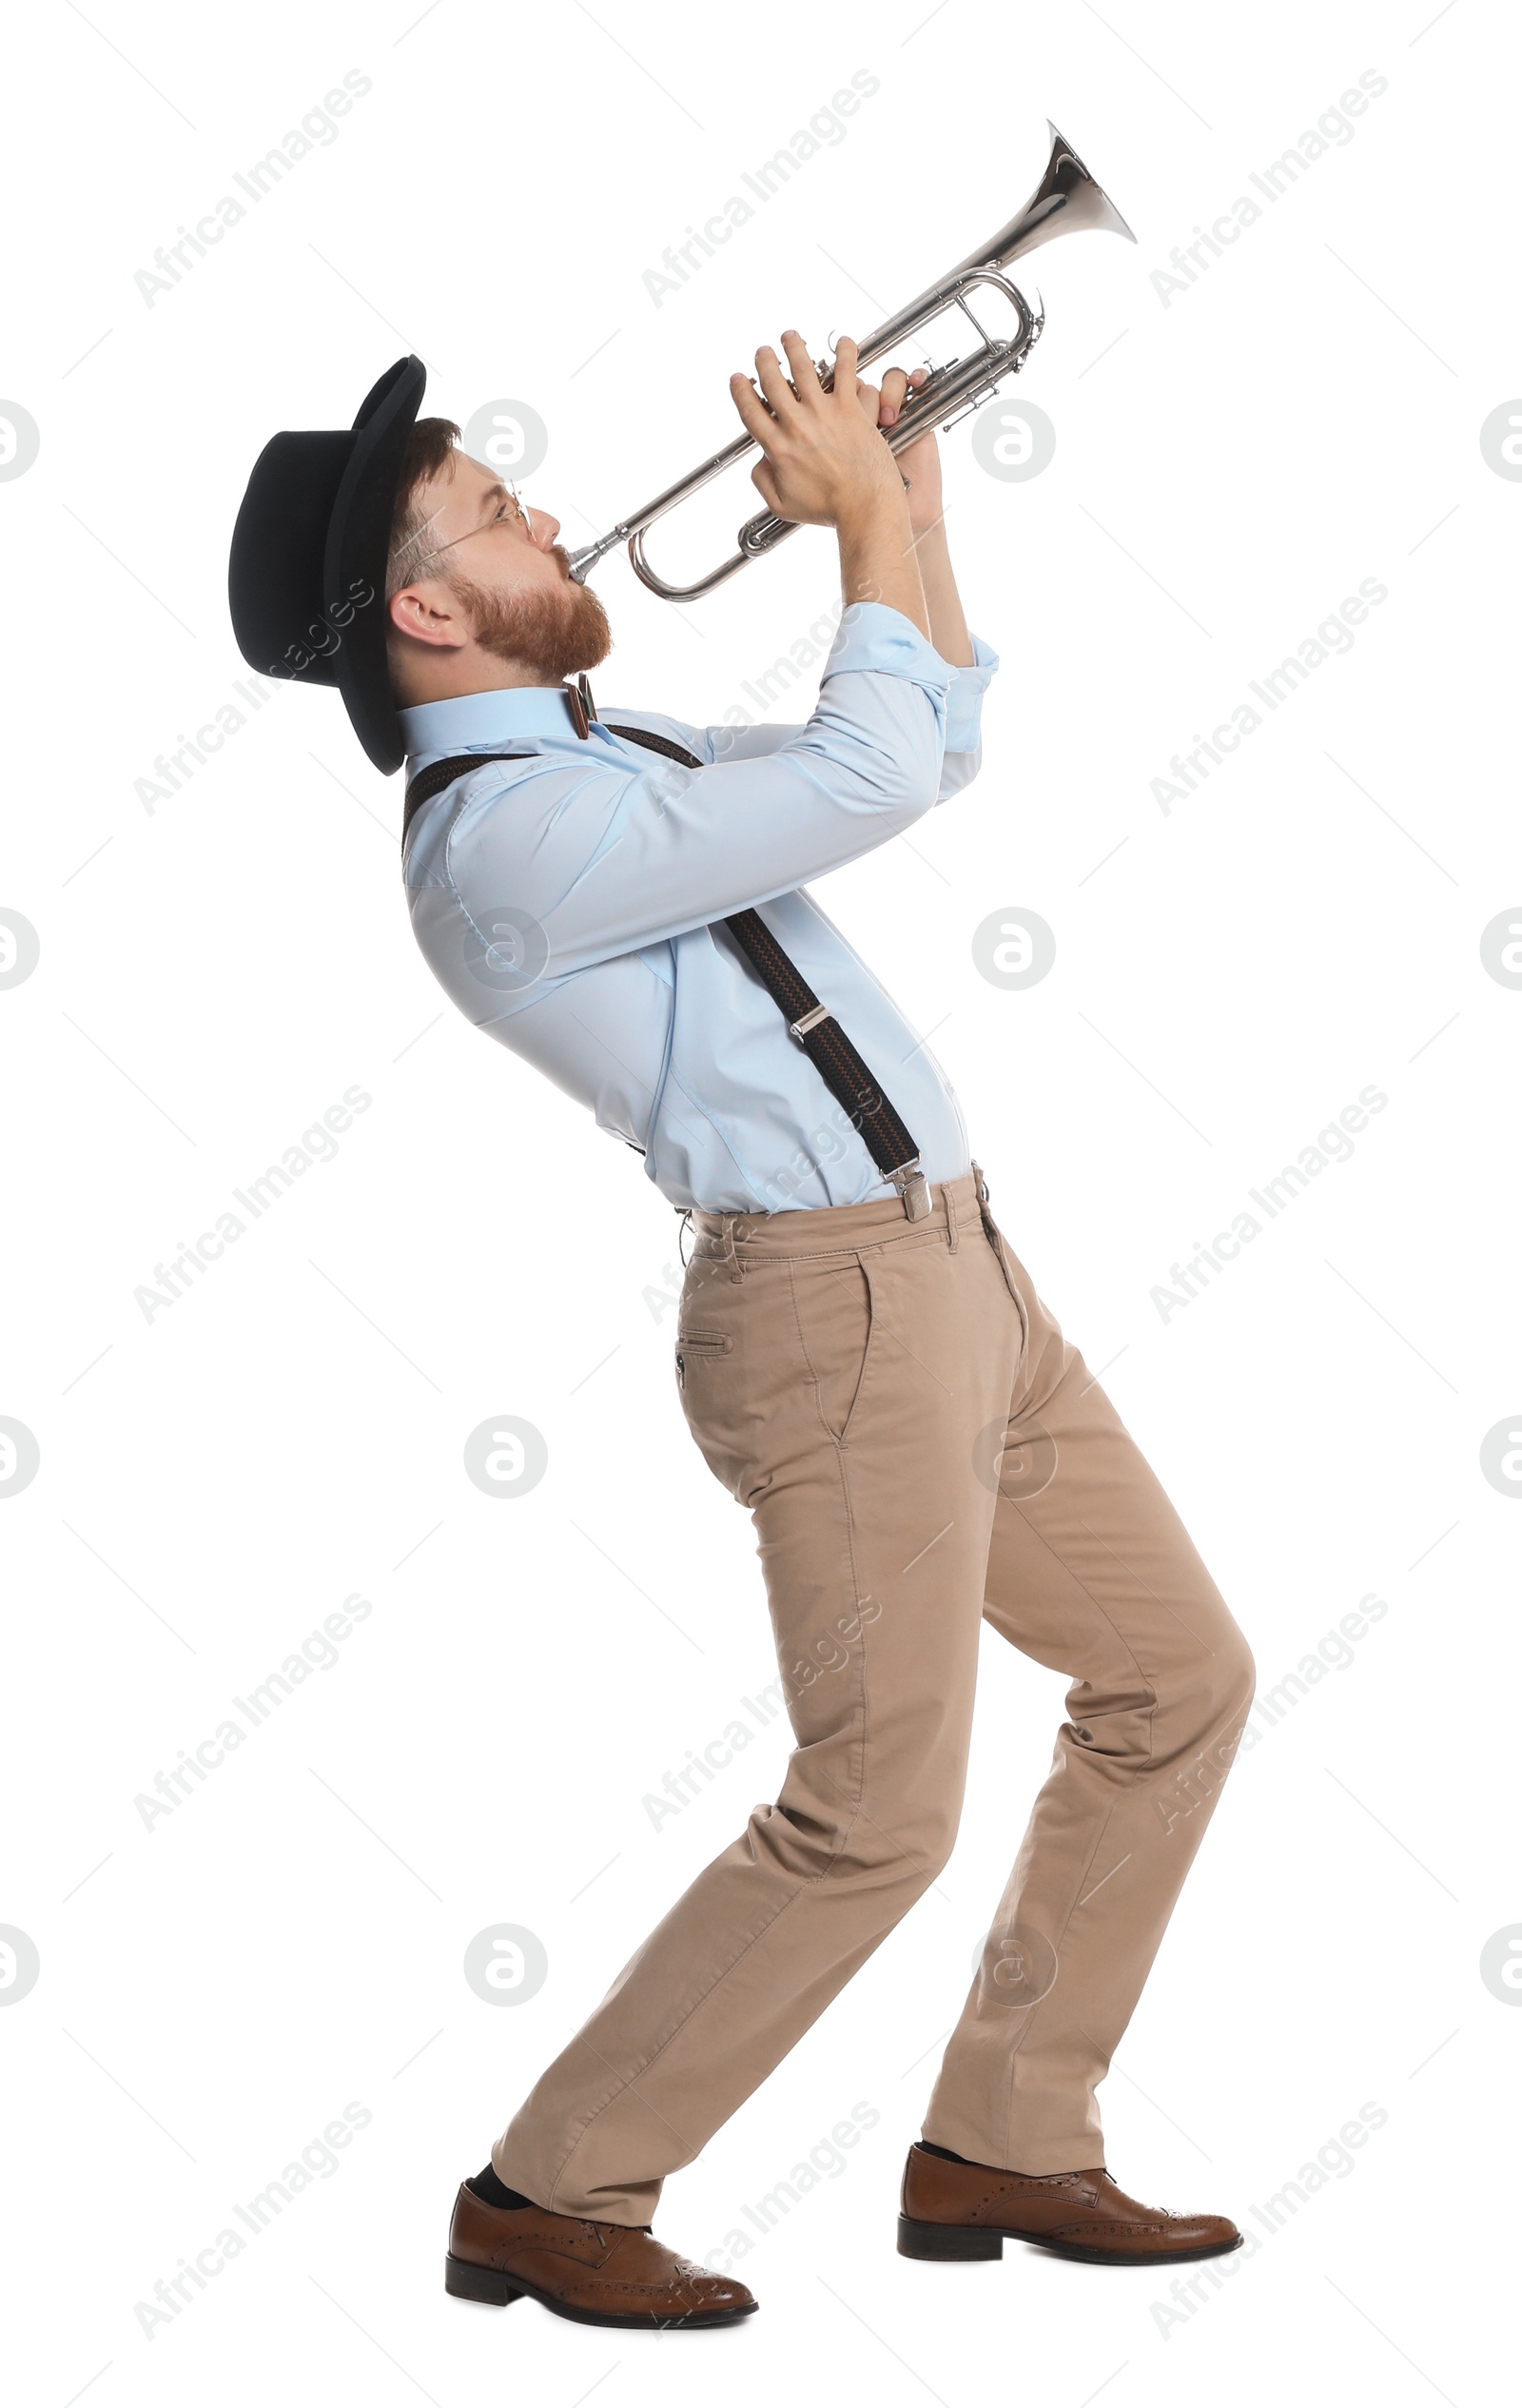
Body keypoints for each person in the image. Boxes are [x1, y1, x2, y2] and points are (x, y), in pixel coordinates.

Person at [228, 336, 1256, 2334]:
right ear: (428, 607)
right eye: (494, 507)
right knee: (874, 1807)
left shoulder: (625, 759)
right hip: (831, 1307)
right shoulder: (501, 848)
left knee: (1171, 1677)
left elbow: (927, 743)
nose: (543, 507)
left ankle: (1009, 2136)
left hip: (960, 1270)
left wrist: (908, 501)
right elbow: (869, 764)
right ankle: (553, 2189)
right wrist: (851, 530)